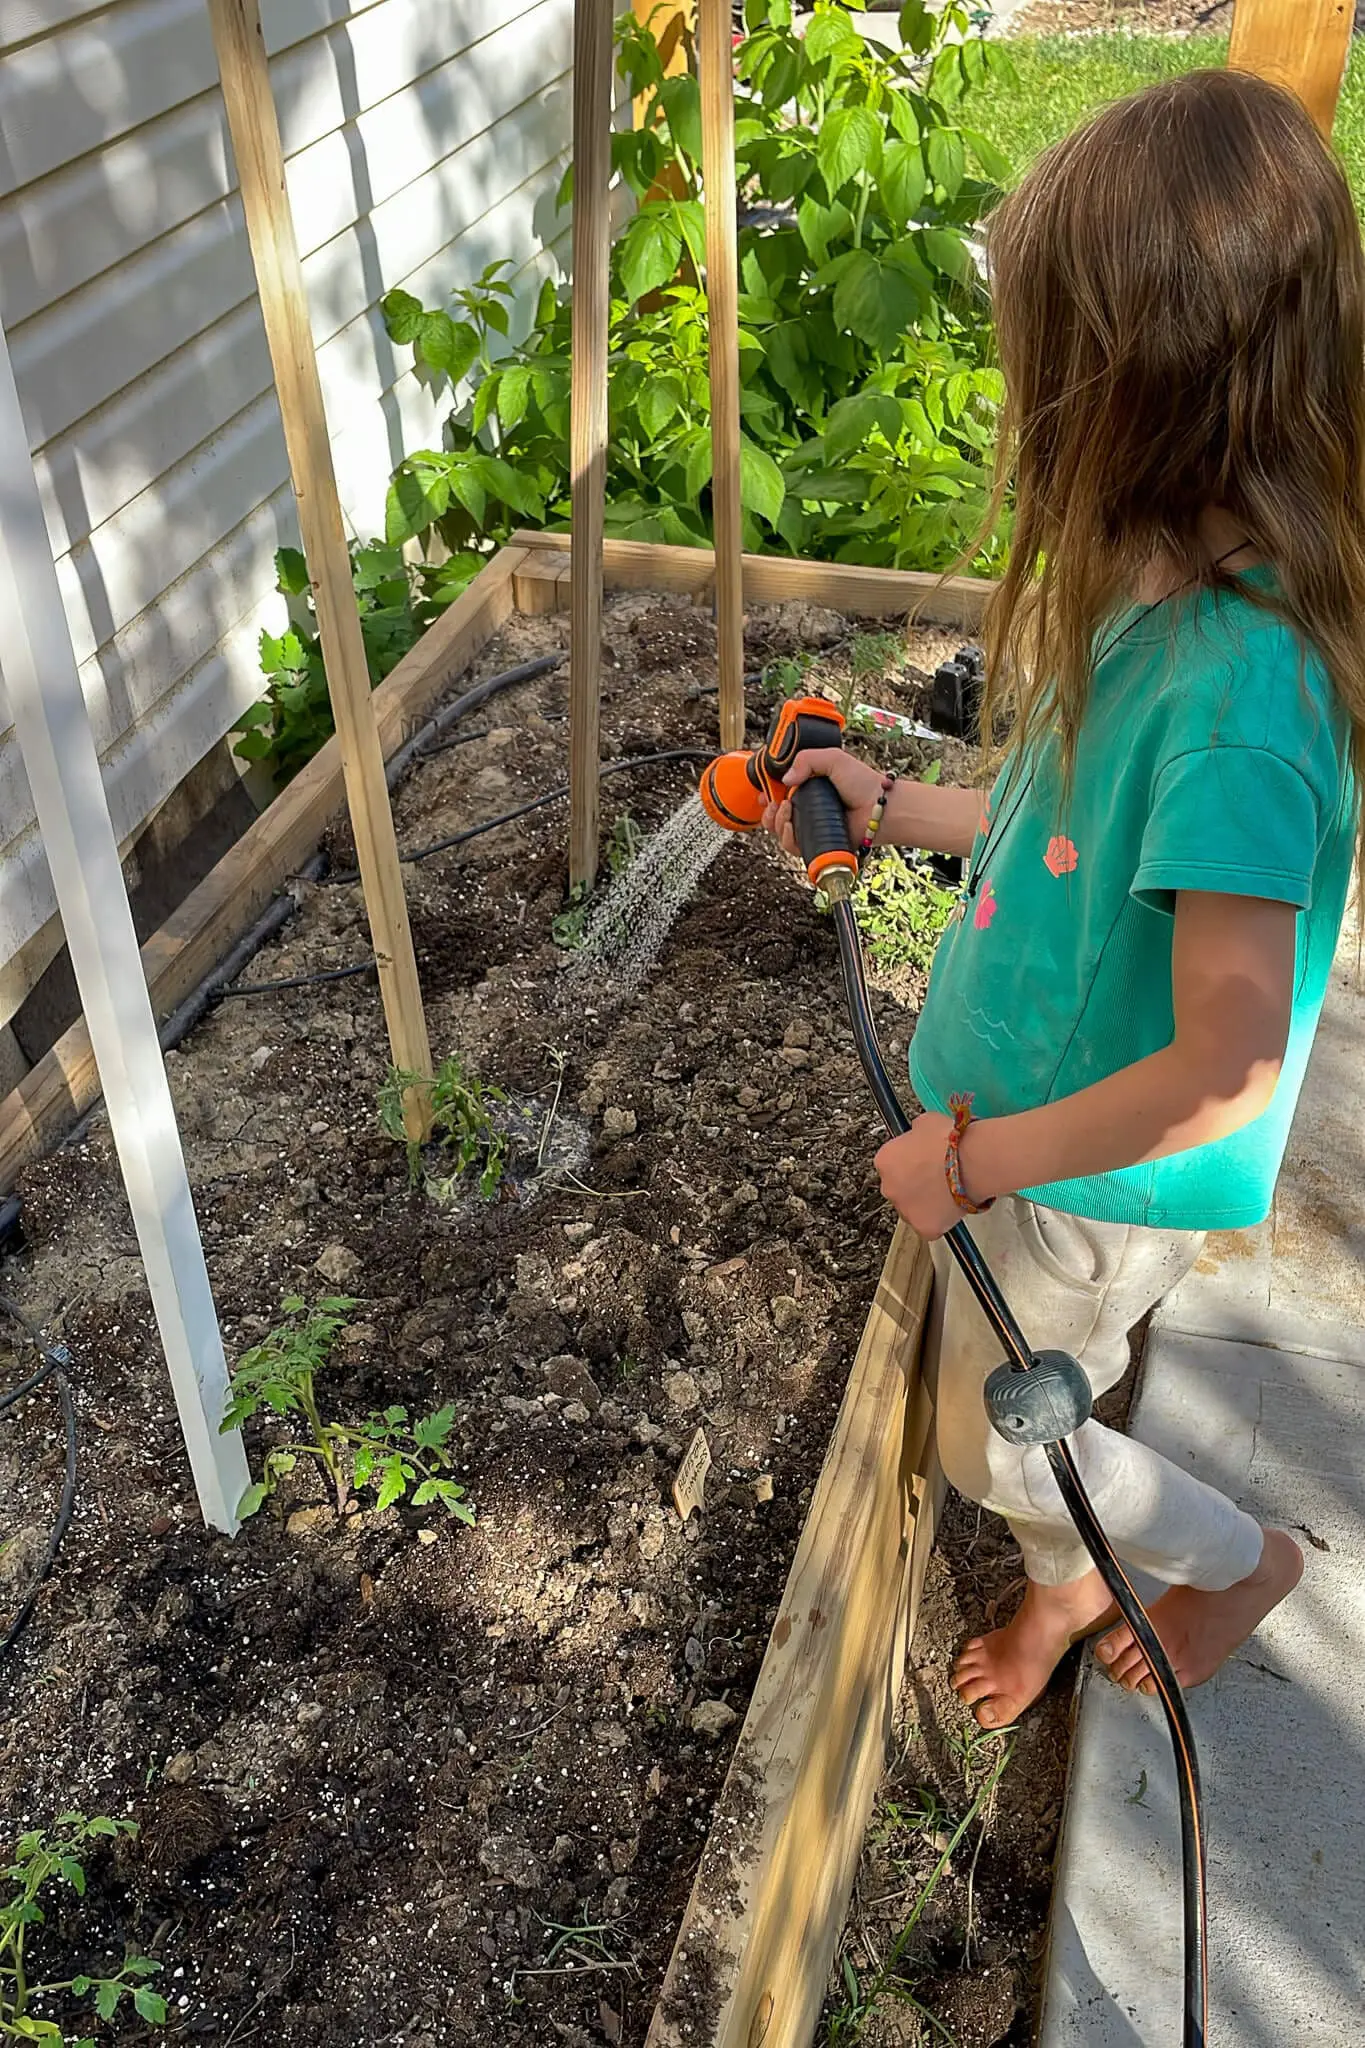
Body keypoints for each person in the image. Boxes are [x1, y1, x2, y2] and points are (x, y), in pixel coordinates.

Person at [762, 68, 1365, 1729]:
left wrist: (974, 1164)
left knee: (993, 1434)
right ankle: (1087, 1549)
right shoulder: (1173, 587)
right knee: (1027, 1395)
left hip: (1083, 1180)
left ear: (1150, 396)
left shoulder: (1244, 703)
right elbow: (1063, 828)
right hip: (1036, 1130)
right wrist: (900, 807)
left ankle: (1218, 1559)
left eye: (1052, 375)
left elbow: (1224, 1070)